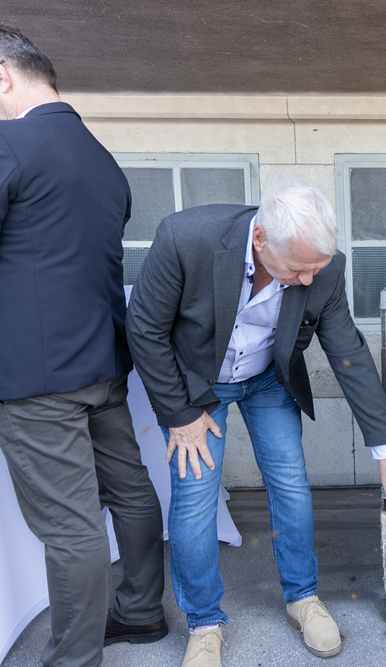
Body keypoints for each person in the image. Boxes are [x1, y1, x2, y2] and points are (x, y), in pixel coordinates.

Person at [126, 183, 386, 666]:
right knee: (195, 496)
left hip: (269, 378)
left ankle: (302, 597)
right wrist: (180, 417)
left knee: (290, 482)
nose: (310, 279)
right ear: (260, 240)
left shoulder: (323, 267)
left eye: (317, 268)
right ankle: (204, 623)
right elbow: (144, 328)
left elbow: (349, 354)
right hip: (196, 384)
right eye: (297, 269)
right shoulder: (185, 238)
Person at [0, 25, 167, 667]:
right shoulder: (101, 159)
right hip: (102, 365)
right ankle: (143, 610)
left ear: (3, 75)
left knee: (70, 528)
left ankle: (73, 659)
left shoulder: (11, 144)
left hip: (35, 379)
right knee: (130, 491)